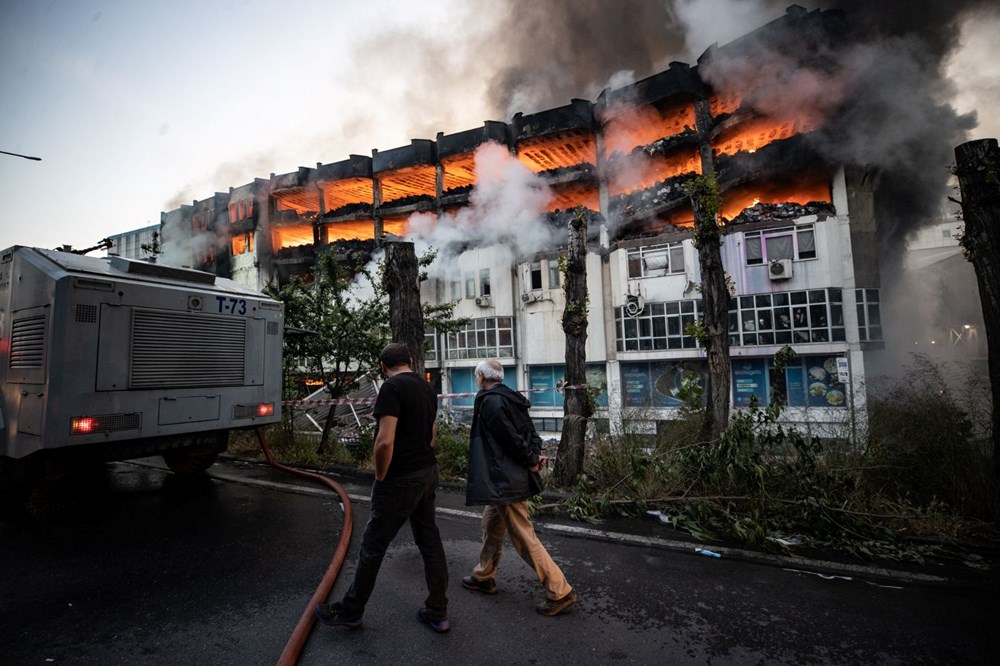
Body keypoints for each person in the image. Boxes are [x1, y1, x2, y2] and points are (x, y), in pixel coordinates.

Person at [314, 343, 450, 633]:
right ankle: (438, 612)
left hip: (399, 478)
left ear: (382, 366)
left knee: (373, 547)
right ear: (410, 361)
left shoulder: (391, 388)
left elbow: (385, 440)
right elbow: (432, 432)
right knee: (430, 541)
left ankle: (351, 610)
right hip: (427, 471)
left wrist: (380, 477)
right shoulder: (427, 387)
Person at [461, 359, 578, 616]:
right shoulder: (512, 398)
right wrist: (534, 456)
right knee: (491, 526)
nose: (476, 379)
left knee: (523, 536)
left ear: (481, 376)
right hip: (505, 477)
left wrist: (530, 459)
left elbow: (510, 440)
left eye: (476, 376)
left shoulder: (491, 401)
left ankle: (560, 590)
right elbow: (529, 434)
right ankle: (484, 576)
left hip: (503, 478)